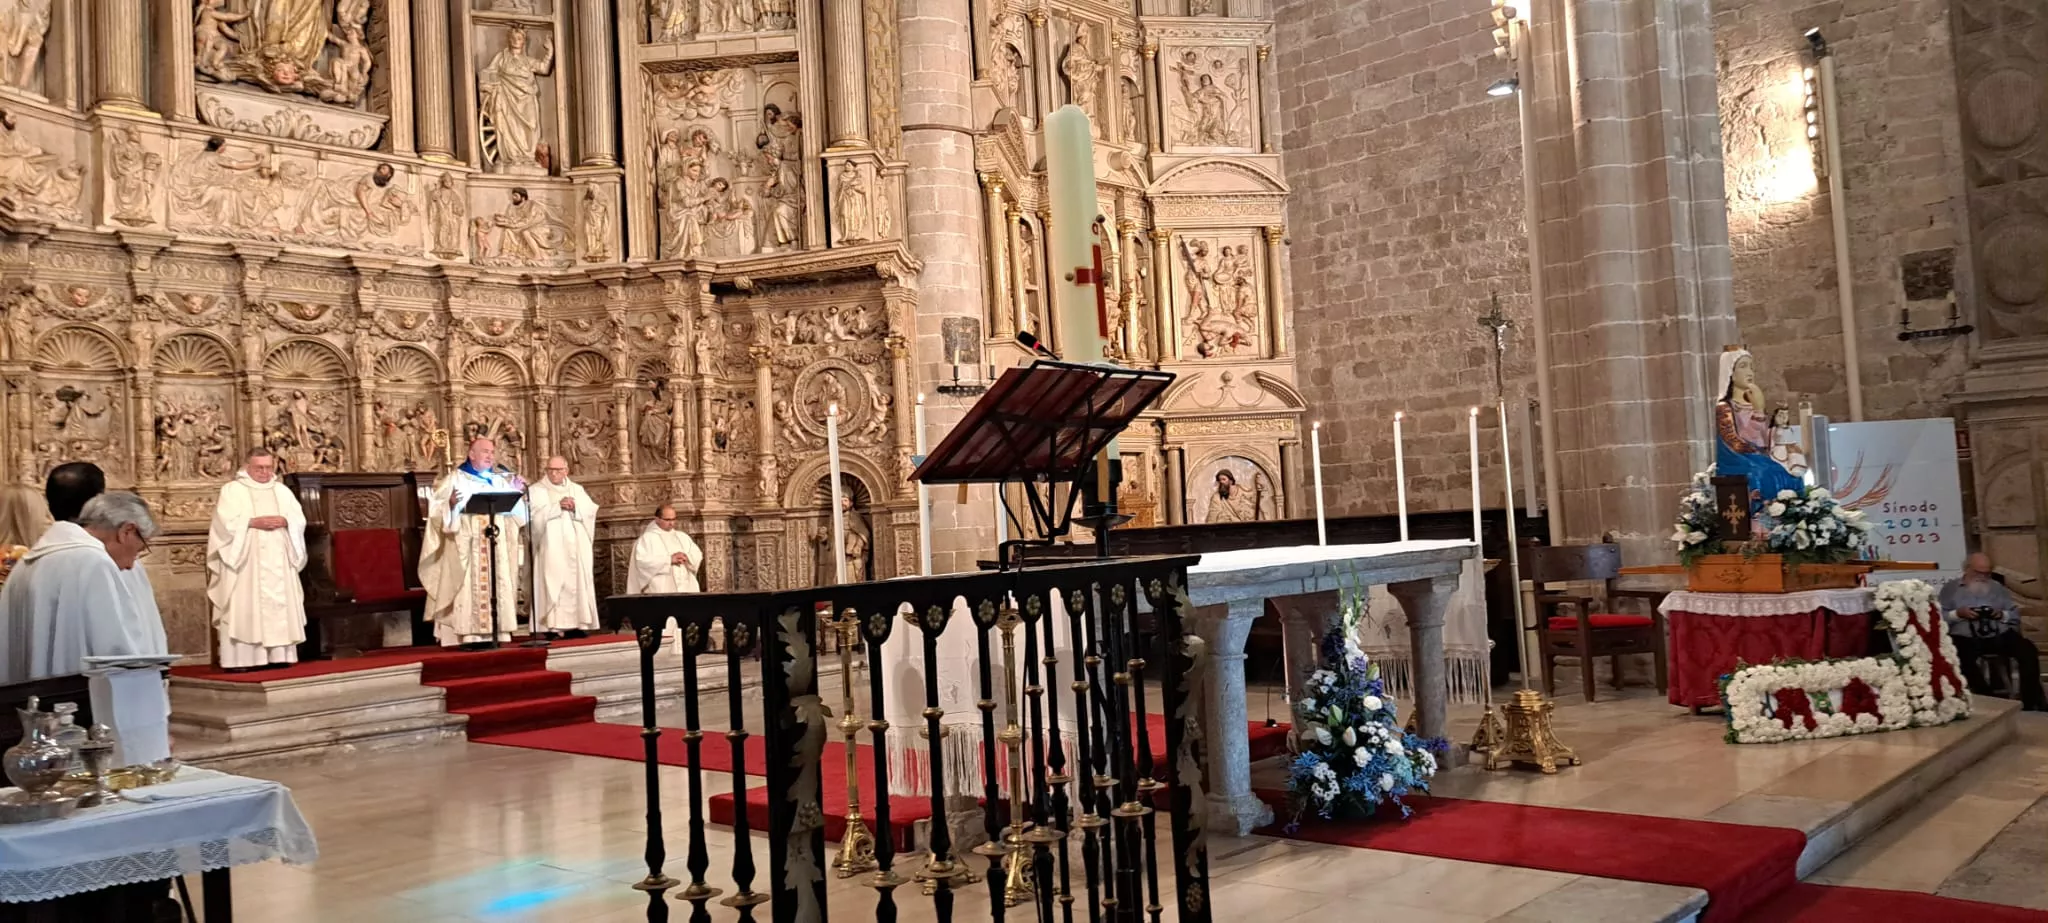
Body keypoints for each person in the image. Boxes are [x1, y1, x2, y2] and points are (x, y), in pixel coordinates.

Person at [0, 491, 161, 684]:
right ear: (126, 531)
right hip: (80, 703)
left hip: (23, 700)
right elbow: (116, 652)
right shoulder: (96, 563)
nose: (130, 566)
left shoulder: (29, 561)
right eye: (139, 550)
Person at [419, 438, 528, 649]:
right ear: (472, 454)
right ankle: (469, 635)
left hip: (495, 547)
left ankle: (497, 632)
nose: (490, 456)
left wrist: (517, 495)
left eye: (492, 452)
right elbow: (436, 512)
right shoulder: (456, 479)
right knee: (468, 589)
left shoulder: (498, 481)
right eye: (485, 452)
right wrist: (449, 506)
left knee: (497, 585)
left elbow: (519, 518)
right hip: (467, 548)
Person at [205, 448, 308, 670]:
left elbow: (298, 519)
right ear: (247, 467)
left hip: (279, 556)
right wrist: (251, 522)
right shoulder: (232, 490)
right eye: (258, 467)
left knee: (279, 604)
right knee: (244, 604)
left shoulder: (282, 491)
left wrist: (286, 521)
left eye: (268, 467)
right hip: (246, 561)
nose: (264, 472)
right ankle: (242, 659)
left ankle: (279, 656)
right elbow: (224, 523)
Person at [1938, 552, 2046, 711]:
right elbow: (1940, 617)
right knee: (1959, 656)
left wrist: (2001, 614)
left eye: (1987, 573)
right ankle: (1988, 698)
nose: (1983, 576)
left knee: (2027, 649)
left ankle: (2030, 702)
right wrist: (1958, 614)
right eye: (1978, 572)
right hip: (1965, 636)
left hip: (1998, 633)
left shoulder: (1997, 588)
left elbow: (2014, 614)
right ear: (1966, 569)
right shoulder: (1950, 589)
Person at [527, 456, 599, 637]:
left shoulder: (577, 489)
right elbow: (533, 517)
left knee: (577, 583)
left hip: (576, 547)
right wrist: (557, 507)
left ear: (566, 470)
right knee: (552, 581)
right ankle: (551, 626)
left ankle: (577, 625)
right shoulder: (536, 490)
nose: (554, 473)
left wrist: (575, 507)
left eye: (558, 470)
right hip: (552, 548)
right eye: (550, 470)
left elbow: (591, 511)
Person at [626, 504, 702, 594]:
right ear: (657, 519)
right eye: (667, 520)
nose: (671, 523)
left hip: (686, 587)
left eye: (674, 519)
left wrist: (686, 557)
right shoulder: (647, 539)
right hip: (661, 589)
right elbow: (642, 562)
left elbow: (697, 554)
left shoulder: (682, 537)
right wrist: (669, 560)